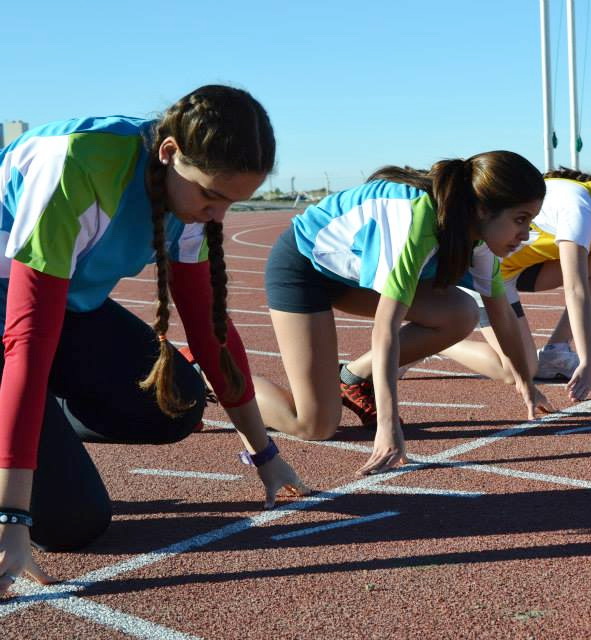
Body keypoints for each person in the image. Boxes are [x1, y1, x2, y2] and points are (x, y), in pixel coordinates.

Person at [0, 85, 310, 594]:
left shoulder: (188, 203)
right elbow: (29, 347)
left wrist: (265, 454)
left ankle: (34, 423)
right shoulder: (77, 167)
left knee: (176, 402)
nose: (218, 216)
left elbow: (213, 334)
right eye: (211, 196)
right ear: (170, 154)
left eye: (232, 202)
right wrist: (11, 518)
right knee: (75, 524)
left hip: (64, 307)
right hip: (12, 307)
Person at [253, 151, 552, 476]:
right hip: (304, 269)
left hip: (350, 274)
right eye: (520, 219)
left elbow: (502, 315)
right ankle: (214, 375)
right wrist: (387, 427)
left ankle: (352, 378)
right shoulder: (414, 223)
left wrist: (525, 382)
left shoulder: (477, 239)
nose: (526, 234)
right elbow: (385, 330)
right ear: (482, 209)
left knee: (460, 313)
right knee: (314, 425)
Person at [440, 166, 591, 402]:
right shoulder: (580, 208)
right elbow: (575, 288)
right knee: (516, 371)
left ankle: (556, 350)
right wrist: (588, 359)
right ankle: (440, 341)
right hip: (485, 271)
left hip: (517, 270)